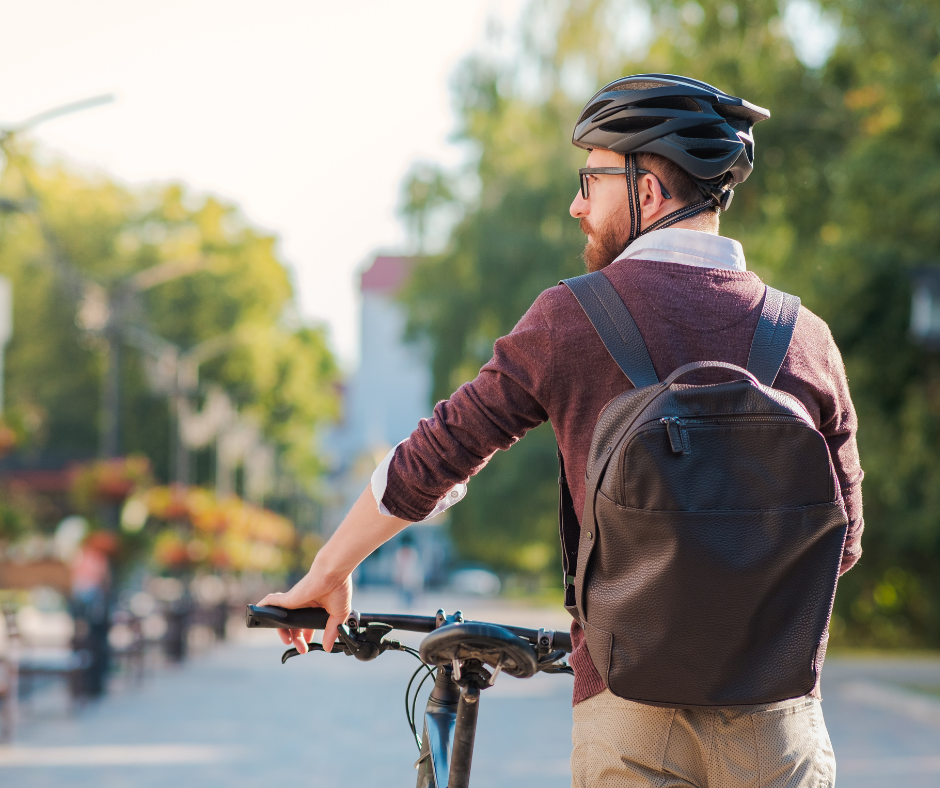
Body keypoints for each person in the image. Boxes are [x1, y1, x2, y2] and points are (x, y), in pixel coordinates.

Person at [260, 74, 863, 787]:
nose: (578, 204)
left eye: (592, 178)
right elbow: (844, 540)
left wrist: (328, 573)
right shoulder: (805, 337)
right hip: (780, 725)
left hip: (630, 716)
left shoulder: (572, 319)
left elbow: (436, 459)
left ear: (647, 193)